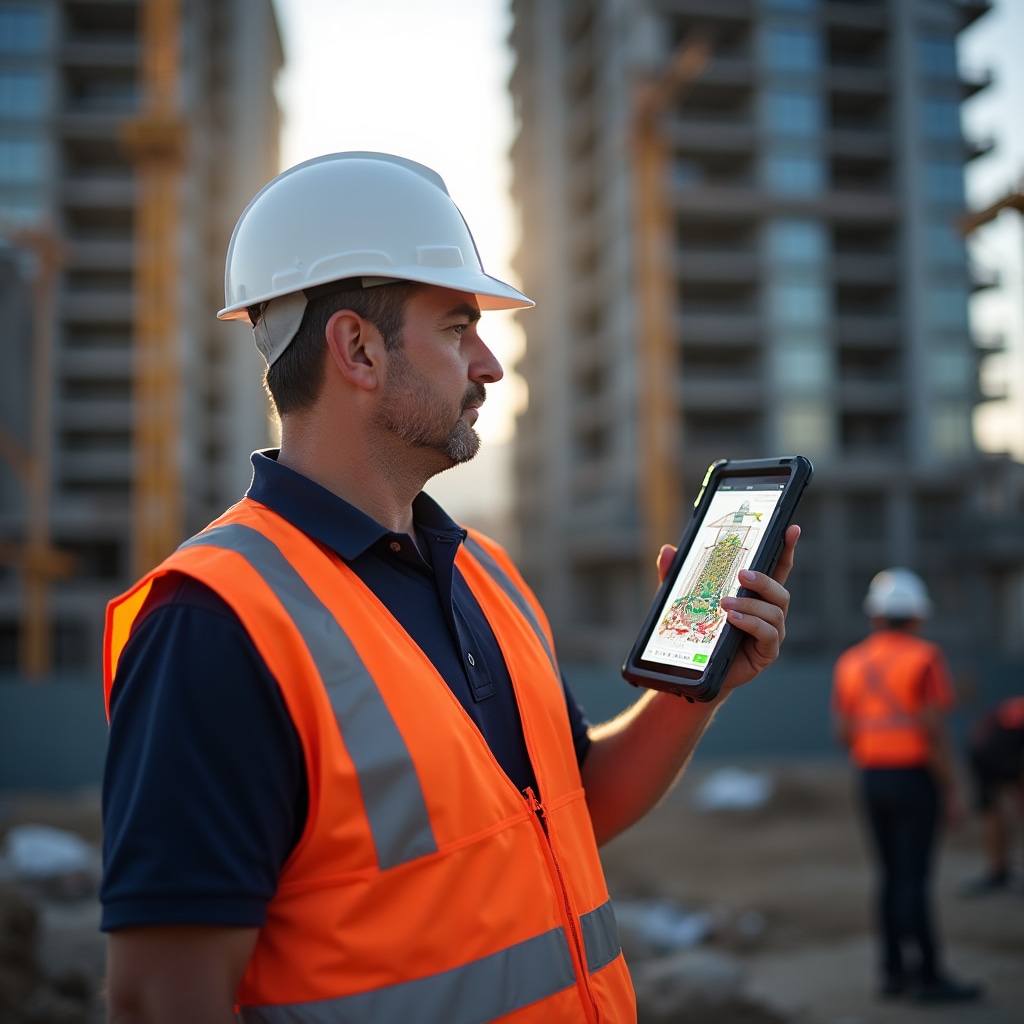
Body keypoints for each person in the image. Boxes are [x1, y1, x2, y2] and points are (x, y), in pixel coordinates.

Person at [100, 152, 800, 1024]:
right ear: (356, 347)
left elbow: (567, 815)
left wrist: (698, 689)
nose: (490, 365)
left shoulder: (488, 577)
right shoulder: (213, 624)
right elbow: (162, 999)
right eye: (458, 326)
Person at [832, 568, 981, 1004]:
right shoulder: (926, 658)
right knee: (914, 879)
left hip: (871, 777)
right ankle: (929, 977)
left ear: (875, 617)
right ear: (917, 617)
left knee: (889, 876)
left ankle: (893, 973)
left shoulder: (851, 661)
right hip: (914, 777)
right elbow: (934, 731)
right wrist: (952, 789)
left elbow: (842, 732)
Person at [961, 695, 1024, 894]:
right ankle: (998, 872)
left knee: (990, 807)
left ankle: (998, 872)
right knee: (996, 807)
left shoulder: (1011, 708)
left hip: (980, 747)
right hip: (997, 746)